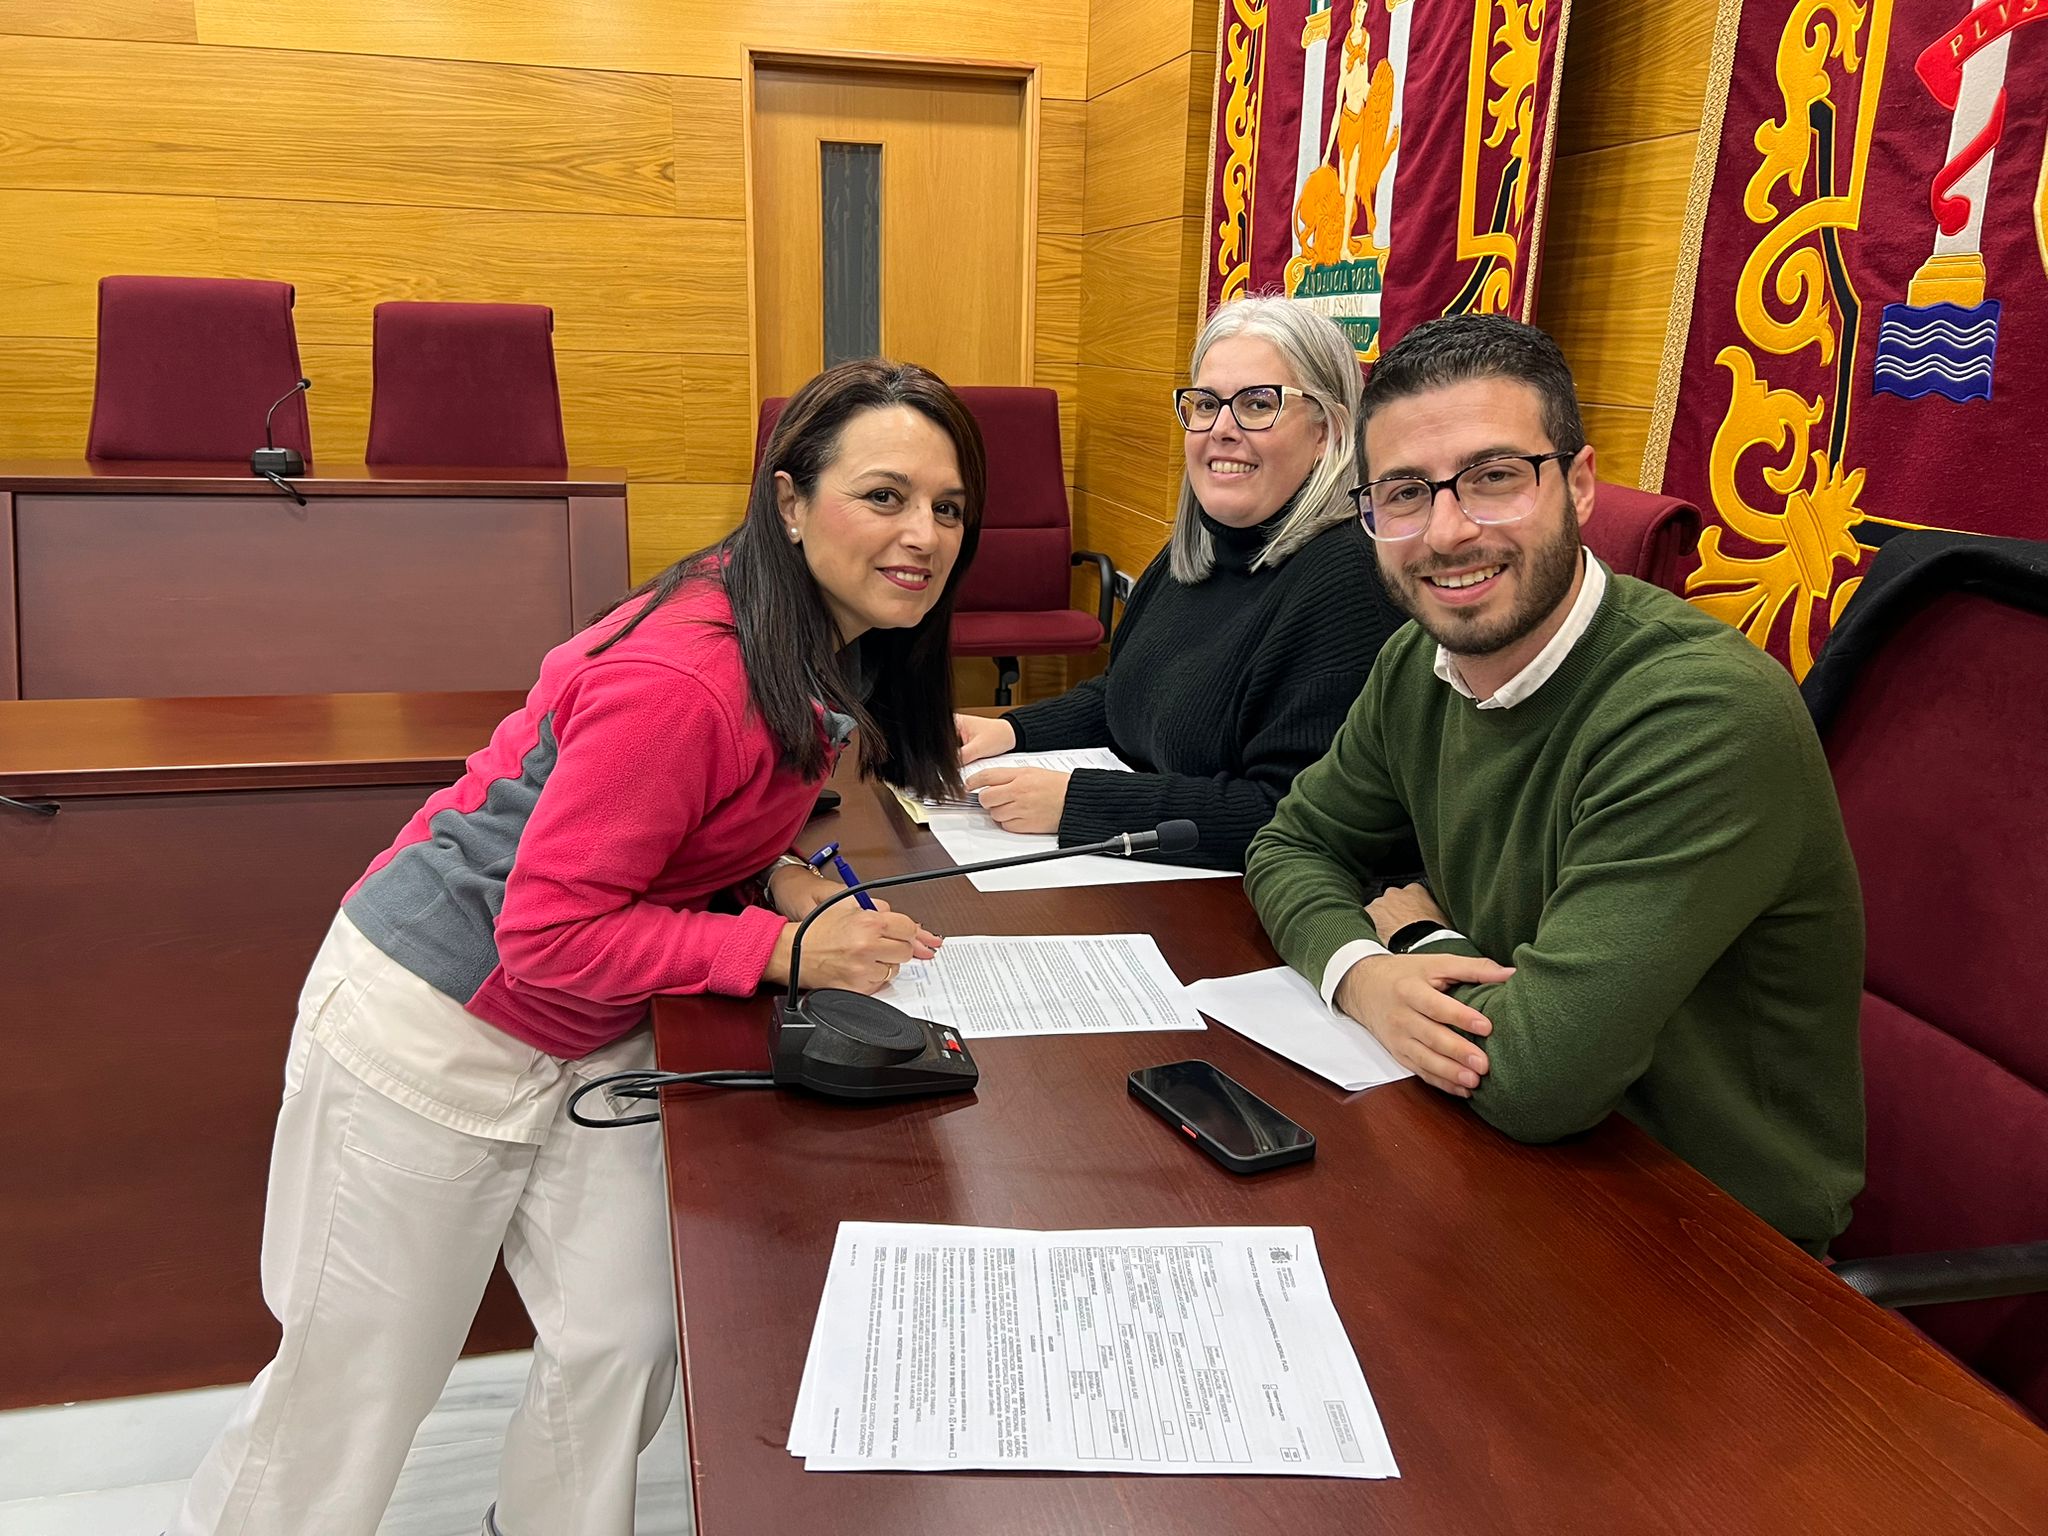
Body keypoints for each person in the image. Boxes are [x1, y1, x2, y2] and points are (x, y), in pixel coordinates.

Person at [173, 359, 984, 1536]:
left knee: (624, 1341)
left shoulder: (807, 628)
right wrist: (779, 952)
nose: (922, 535)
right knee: (349, 1392)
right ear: (790, 501)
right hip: (439, 1021)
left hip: (596, 1027)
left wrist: (774, 873)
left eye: (947, 507)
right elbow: (549, 933)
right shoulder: (689, 673)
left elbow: (692, 818)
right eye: (884, 496)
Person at [1244, 314, 1866, 1254]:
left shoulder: (1700, 713)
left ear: (1577, 484)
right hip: (1495, 1160)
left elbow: (1538, 1077)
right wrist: (1362, 974)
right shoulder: (1418, 663)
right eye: (1405, 493)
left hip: (1710, 1240)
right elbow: (1289, 844)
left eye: (1493, 477)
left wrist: (1416, 934)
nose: (1446, 531)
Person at [957, 296, 1403, 870]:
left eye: (1258, 404)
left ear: (1328, 431)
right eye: (1206, 404)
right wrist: (1010, 731)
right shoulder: (1195, 549)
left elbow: (1293, 814)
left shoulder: (1349, 581)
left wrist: (1078, 802)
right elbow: (1130, 693)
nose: (1221, 430)